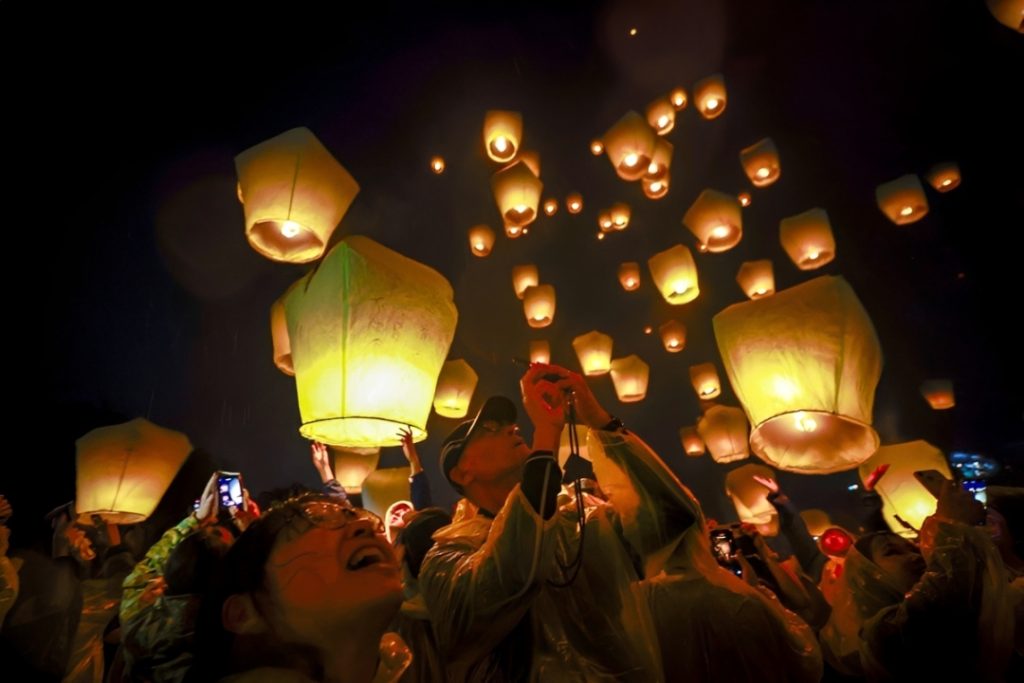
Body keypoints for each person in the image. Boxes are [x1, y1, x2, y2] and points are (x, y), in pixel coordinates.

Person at [420, 363, 692, 681]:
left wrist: (598, 419)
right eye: (490, 429)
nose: (514, 428)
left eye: (512, 424)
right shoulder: (444, 559)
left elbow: (673, 516)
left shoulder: (579, 525)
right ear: (462, 472)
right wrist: (547, 435)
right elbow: (508, 578)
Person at [191, 492, 411, 682]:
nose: (365, 526)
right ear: (242, 614)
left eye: (358, 516)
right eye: (316, 519)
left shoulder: (406, 666)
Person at [821, 479, 1014, 680]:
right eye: (892, 552)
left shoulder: (970, 597)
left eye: (913, 548)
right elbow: (934, 605)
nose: (914, 556)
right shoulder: (880, 635)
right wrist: (951, 524)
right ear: (867, 577)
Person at [119, 472, 256, 683]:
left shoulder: (138, 611)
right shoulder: (234, 636)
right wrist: (253, 530)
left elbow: (151, 561)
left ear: (173, 567)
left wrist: (197, 518)